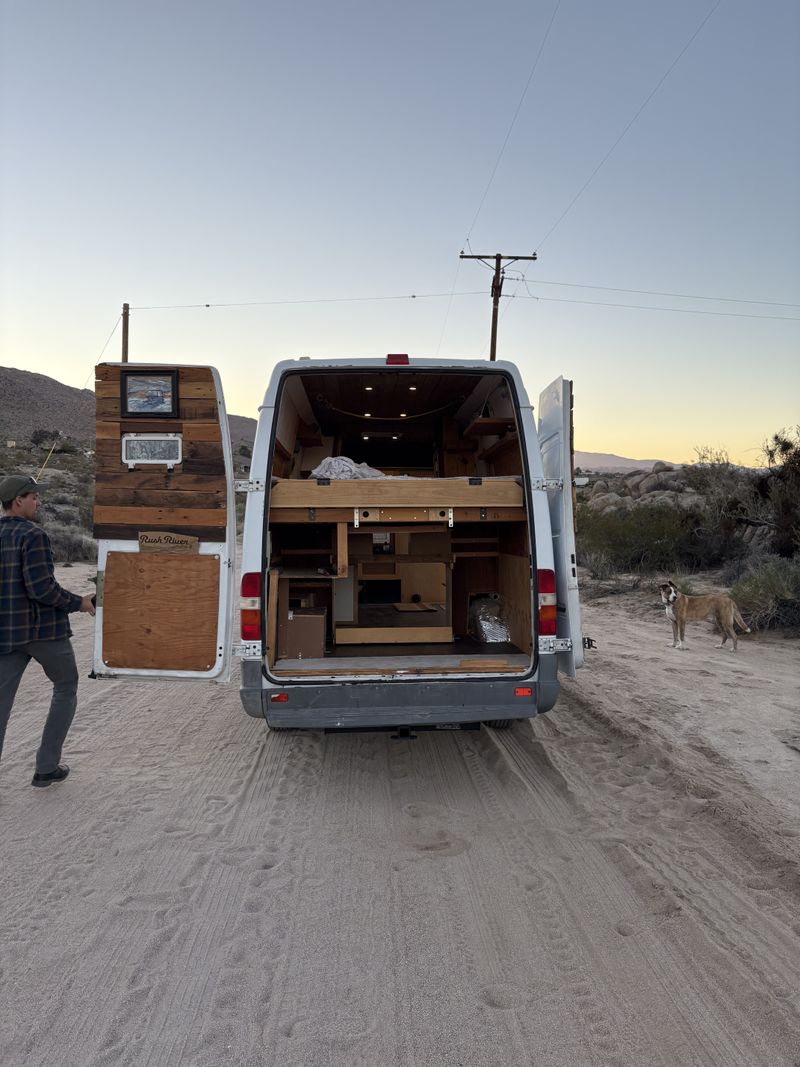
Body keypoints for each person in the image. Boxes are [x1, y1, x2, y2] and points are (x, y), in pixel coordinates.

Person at [0, 474, 95, 787]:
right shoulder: (33, 535)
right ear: (18, 501)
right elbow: (42, 589)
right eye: (33, 497)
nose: (37, 502)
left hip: (6, 633)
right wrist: (79, 603)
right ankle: (46, 767)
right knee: (66, 687)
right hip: (44, 633)